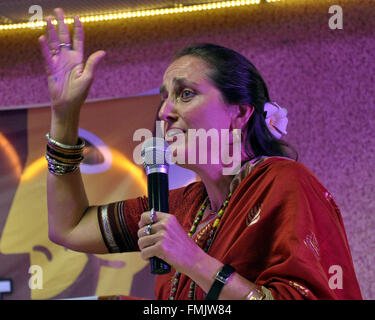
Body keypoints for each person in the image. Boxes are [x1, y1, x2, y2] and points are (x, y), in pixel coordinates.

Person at [39, 8, 362, 300]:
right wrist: (65, 116)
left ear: (240, 113)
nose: (165, 112)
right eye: (164, 99)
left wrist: (191, 258)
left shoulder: (284, 182)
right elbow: (69, 227)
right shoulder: (183, 206)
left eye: (186, 93)